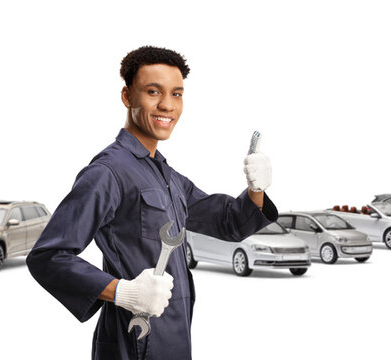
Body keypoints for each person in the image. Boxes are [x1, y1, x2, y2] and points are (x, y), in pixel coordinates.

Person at [26, 45, 277, 360]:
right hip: (130, 344)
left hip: (174, 339)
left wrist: (256, 188)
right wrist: (122, 292)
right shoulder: (108, 172)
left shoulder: (165, 175)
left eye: (176, 94)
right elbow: (48, 256)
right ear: (127, 97)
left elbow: (229, 222)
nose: (167, 105)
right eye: (153, 92)